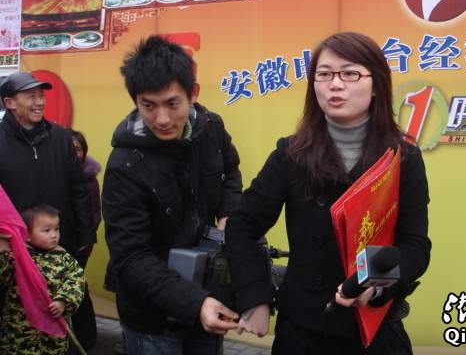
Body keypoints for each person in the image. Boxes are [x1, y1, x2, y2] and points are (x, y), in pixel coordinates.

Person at [225, 32, 431, 354]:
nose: (335, 84)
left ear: (376, 85)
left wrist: (376, 286)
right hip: (304, 331)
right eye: (324, 74)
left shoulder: (402, 158)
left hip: (375, 330)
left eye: (350, 74)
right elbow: (242, 226)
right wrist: (255, 298)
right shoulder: (290, 154)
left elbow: (415, 245)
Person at [102, 35, 243, 355]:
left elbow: (231, 171)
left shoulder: (211, 128)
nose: (162, 119)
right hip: (152, 316)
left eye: (172, 103)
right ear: (135, 101)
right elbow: (131, 257)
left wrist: (228, 214)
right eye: (148, 105)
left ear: (193, 94)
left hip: (208, 290)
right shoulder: (124, 165)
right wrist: (195, 303)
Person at [0, 71, 96, 258]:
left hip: (59, 241)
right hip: (14, 245)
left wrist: (86, 234)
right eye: (31, 97)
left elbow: (79, 188)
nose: (39, 102)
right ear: (10, 103)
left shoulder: (61, 137)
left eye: (41, 96)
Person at [0, 204, 85, 354]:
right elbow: (3, 275)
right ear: (27, 234)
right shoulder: (18, 257)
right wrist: (3, 251)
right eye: (47, 230)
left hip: (52, 337)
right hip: (20, 332)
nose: (54, 235)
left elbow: (77, 280)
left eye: (56, 229)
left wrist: (63, 300)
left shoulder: (64, 258)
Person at [68, 129, 101, 351]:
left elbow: (95, 214)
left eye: (78, 149)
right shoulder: (55, 173)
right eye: (69, 149)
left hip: (80, 243)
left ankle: (86, 339)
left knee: (77, 288)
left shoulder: (89, 178)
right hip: (56, 240)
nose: (74, 153)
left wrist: (84, 239)